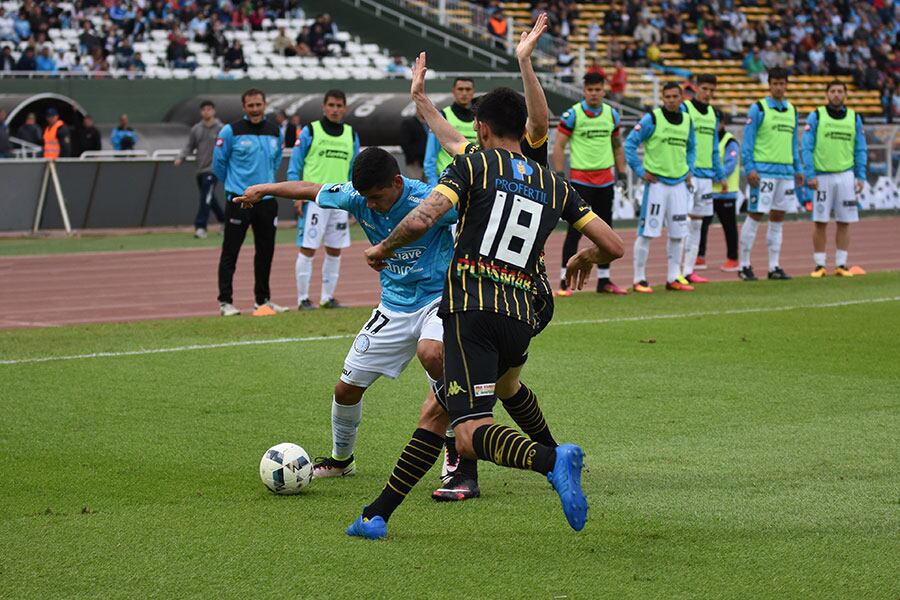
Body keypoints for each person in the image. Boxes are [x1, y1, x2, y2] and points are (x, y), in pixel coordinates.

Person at [351, 86, 625, 540]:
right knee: (437, 413)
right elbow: (614, 246)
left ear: (481, 127)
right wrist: (583, 259)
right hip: (522, 313)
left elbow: (423, 217)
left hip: (471, 310)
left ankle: (553, 459)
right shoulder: (554, 183)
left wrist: (381, 247)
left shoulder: (473, 164)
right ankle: (375, 515)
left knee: (467, 433)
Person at [406, 16, 562, 501]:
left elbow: (540, 122)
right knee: (507, 387)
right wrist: (420, 100)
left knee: (467, 387)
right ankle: (554, 456)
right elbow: (449, 135)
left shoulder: (527, 157)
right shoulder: (477, 154)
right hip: (495, 290)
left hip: (519, 290)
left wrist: (524, 62)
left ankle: (471, 474)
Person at [235, 148, 452, 480]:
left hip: (438, 297)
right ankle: (341, 460)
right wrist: (264, 189)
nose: (372, 205)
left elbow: (480, 214)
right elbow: (311, 189)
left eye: (377, 197)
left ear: (397, 182)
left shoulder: (429, 200)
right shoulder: (357, 198)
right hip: (393, 306)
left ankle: (453, 449)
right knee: (345, 389)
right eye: (366, 198)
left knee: (433, 354)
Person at [552, 72, 628, 296]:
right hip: (580, 180)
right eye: (590, 90)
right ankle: (564, 282)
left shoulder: (612, 115)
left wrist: (622, 172)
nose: (594, 94)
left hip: (605, 180)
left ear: (604, 91)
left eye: (598, 90)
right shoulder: (573, 114)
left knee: (606, 232)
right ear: (584, 91)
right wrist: (558, 174)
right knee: (574, 232)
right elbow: (559, 146)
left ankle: (604, 280)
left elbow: (617, 145)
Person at [212, 88, 286, 317]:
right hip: (239, 200)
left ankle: (262, 300)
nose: (255, 109)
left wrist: (265, 187)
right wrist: (235, 188)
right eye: (250, 105)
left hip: (267, 200)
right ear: (244, 107)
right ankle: (226, 302)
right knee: (230, 251)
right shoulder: (230, 131)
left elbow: (275, 162)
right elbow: (219, 165)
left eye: (258, 105)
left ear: (265, 105)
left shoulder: (276, 132)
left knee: (265, 251)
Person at [289, 90, 360, 310]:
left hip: (340, 200)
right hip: (314, 199)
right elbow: (295, 164)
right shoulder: (310, 130)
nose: (335, 109)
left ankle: (327, 298)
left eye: (339, 106)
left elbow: (354, 171)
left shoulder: (351, 134)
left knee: (334, 249)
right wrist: (297, 195)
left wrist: (355, 202)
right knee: (308, 248)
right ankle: (303, 299)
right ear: (324, 107)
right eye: (331, 105)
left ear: (345, 108)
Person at [624, 82, 697, 293]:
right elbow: (630, 143)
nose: (672, 100)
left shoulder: (687, 120)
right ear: (662, 98)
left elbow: (692, 148)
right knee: (647, 232)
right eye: (668, 97)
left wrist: (688, 169)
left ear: (682, 97)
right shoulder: (652, 119)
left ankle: (674, 277)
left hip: (679, 185)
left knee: (678, 233)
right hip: (656, 185)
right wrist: (640, 170)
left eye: (675, 96)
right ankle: (639, 279)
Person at [739, 67, 803, 281]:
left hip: (785, 173)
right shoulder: (758, 108)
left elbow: (793, 142)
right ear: (769, 85)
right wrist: (750, 167)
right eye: (774, 83)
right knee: (755, 215)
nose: (778, 87)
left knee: (777, 218)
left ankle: (774, 266)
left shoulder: (792, 110)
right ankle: (744, 265)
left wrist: (798, 168)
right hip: (763, 172)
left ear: (786, 84)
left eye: (782, 83)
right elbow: (747, 141)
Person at [802, 80, 867, 278]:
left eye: (840, 91)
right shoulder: (816, 116)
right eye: (833, 91)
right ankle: (819, 265)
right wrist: (810, 174)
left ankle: (841, 264)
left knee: (844, 221)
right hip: (822, 176)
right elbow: (807, 146)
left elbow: (860, 148)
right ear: (827, 94)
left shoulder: (854, 118)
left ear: (845, 95)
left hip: (846, 175)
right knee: (820, 221)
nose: (836, 94)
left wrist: (861, 174)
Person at [680, 74, 726, 285]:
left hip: (707, 176)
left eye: (711, 90)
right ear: (696, 88)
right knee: (685, 222)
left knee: (698, 224)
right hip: (689, 175)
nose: (708, 93)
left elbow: (715, 147)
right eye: (705, 88)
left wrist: (721, 175)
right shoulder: (685, 110)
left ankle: (689, 270)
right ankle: (677, 270)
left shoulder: (713, 115)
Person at [176, 100, 225, 239]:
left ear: (214, 111)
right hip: (200, 170)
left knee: (205, 198)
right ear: (201, 112)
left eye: (209, 109)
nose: (207, 112)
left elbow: (227, 148)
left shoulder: (221, 128)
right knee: (209, 198)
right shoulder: (196, 129)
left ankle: (200, 227)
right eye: (204, 109)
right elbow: (189, 146)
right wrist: (181, 157)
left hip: (214, 170)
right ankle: (223, 220)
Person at [700, 119, 741, 272]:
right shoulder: (706, 139)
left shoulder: (730, 141)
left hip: (726, 193)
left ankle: (733, 258)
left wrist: (713, 176)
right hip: (709, 192)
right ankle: (699, 256)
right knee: (701, 226)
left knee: (729, 227)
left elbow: (730, 164)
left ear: (722, 123)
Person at [423, 77, 476, 186]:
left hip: (472, 182)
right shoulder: (442, 117)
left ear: (473, 92)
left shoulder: (479, 119)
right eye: (460, 89)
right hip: (447, 181)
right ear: (453, 91)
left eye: (468, 89)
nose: (464, 93)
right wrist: (434, 185)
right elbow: (430, 158)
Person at [399, 114, 427, 181]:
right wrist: (413, 159)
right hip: (415, 163)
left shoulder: (429, 123)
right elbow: (404, 143)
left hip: (427, 163)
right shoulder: (409, 123)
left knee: (429, 188)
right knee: (415, 186)